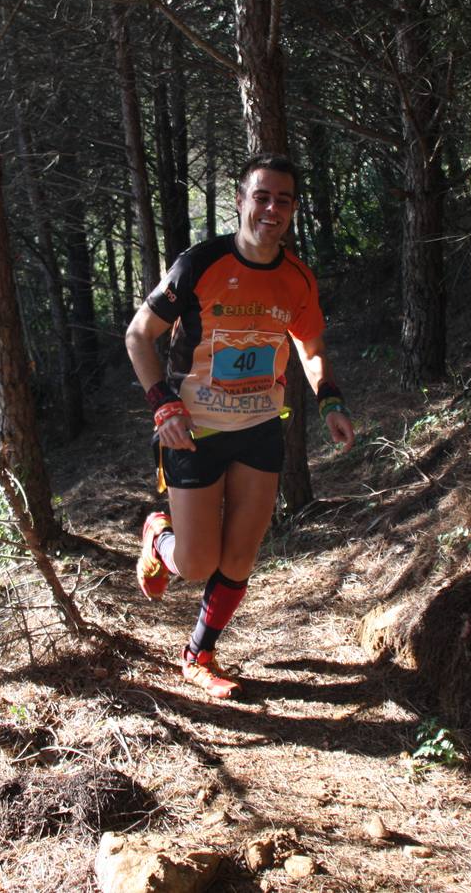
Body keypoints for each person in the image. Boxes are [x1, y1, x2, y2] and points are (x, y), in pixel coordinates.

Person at [124, 152, 355, 700]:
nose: (272, 209)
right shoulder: (200, 263)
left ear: (293, 210)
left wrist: (330, 401)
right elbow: (139, 335)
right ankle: (158, 536)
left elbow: (311, 346)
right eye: (262, 196)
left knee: (241, 555)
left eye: (284, 200)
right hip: (192, 429)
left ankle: (198, 654)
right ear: (241, 201)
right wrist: (163, 405)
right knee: (198, 561)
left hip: (258, 427)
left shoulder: (296, 277)